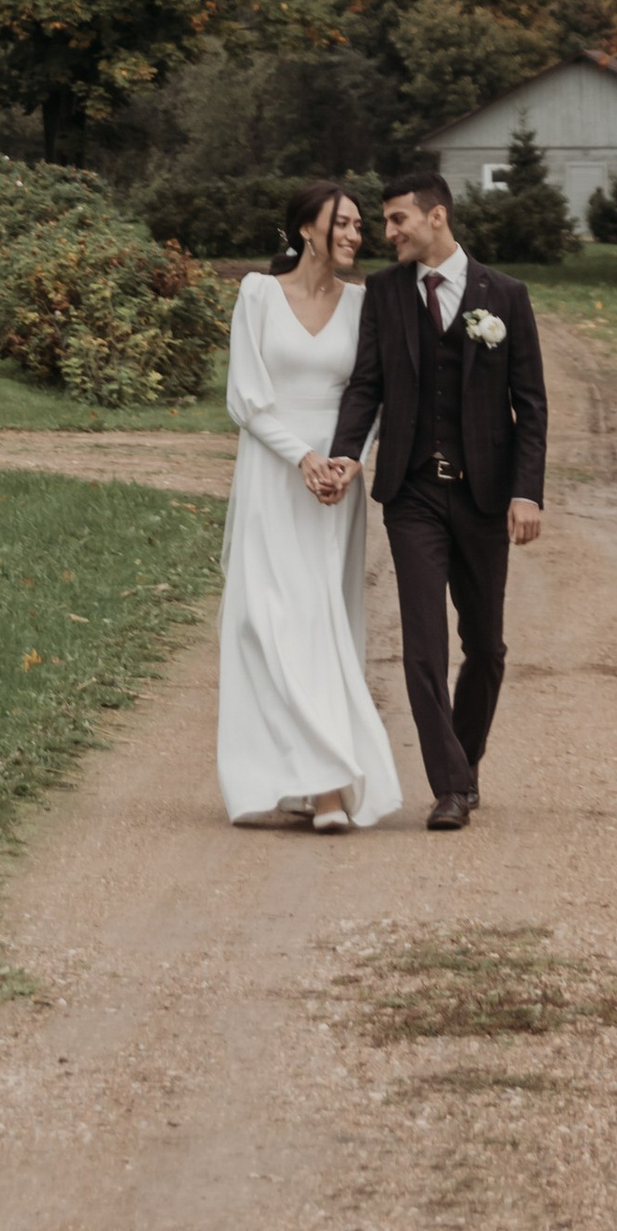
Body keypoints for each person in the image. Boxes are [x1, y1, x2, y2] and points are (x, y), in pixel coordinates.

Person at [322, 168, 548, 831]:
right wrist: (346, 454)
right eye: (385, 221)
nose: (386, 232)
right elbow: (366, 385)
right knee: (423, 645)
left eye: (397, 219)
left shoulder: (505, 295)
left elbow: (531, 406)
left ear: (436, 217)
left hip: (483, 496)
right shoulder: (384, 292)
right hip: (412, 491)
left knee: (487, 647)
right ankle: (448, 786)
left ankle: (464, 762)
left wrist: (526, 491)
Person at [217, 180, 403, 832]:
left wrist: (350, 460)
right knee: (266, 621)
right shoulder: (257, 294)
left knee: (321, 621)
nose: (355, 234)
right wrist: (301, 457)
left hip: (334, 484)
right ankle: (292, 777)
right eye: (341, 223)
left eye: (358, 224)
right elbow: (245, 398)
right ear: (305, 229)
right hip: (275, 473)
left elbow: (370, 393)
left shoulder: (363, 303)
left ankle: (324, 787)